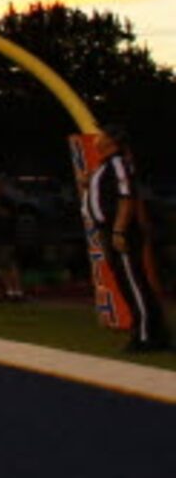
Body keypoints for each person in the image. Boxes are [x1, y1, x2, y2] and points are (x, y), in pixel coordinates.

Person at [86, 128, 166, 353]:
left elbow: (126, 197)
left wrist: (119, 230)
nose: (97, 139)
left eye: (101, 135)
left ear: (112, 141)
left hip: (119, 230)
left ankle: (145, 335)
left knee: (133, 282)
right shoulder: (107, 165)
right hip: (110, 228)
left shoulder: (118, 163)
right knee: (127, 281)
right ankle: (148, 330)